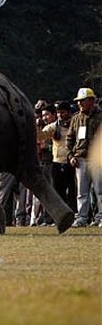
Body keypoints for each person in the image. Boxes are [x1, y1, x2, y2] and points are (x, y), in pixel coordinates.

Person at [66, 88, 102, 227]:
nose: (80, 103)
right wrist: (70, 156)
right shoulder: (76, 118)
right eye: (78, 101)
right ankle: (81, 218)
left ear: (91, 100)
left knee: (100, 191)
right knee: (82, 192)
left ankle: (100, 218)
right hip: (80, 160)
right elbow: (69, 139)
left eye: (82, 100)